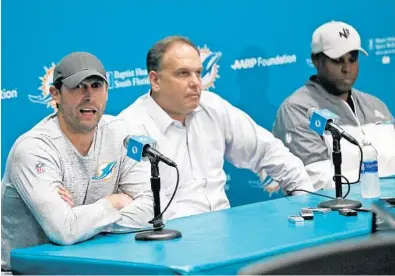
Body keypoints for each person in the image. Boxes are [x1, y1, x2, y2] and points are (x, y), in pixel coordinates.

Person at [118, 36, 314, 220]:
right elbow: (141, 209)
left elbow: (268, 150)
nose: (195, 82)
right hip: (171, 240)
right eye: (183, 73)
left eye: (198, 73)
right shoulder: (130, 128)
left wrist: (305, 198)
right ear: (155, 80)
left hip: (224, 233)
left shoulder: (212, 107)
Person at [1, 52, 153, 271]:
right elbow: (64, 230)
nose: (88, 95)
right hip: (27, 272)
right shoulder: (34, 149)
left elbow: (151, 209)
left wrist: (82, 221)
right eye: (78, 87)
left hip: (94, 263)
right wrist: (113, 202)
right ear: (56, 94)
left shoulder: (122, 133)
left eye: (96, 86)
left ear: (107, 92)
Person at [273, 21, 395, 190]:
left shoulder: (376, 105)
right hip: (335, 214)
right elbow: (318, 185)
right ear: (316, 60)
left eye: (353, 60)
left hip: (386, 212)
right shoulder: (297, 110)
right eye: (338, 60)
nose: (347, 68)